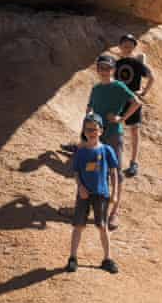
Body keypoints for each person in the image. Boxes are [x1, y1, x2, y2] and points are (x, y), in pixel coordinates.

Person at [87, 54, 141, 230]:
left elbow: (136, 102)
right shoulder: (95, 89)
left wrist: (121, 118)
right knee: (94, 169)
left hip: (113, 134)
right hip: (97, 134)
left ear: (113, 70)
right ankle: (93, 207)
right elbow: (90, 109)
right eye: (101, 67)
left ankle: (114, 213)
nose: (104, 71)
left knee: (115, 172)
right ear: (97, 69)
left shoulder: (119, 86)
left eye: (108, 68)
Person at [66, 113, 120, 274]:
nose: (92, 132)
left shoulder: (107, 150)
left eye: (95, 129)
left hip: (101, 193)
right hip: (84, 193)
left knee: (102, 226)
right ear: (84, 131)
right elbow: (76, 172)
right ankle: (73, 258)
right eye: (88, 129)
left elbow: (113, 172)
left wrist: (115, 193)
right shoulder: (81, 152)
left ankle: (107, 258)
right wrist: (80, 187)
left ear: (101, 131)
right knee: (78, 225)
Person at [107, 34, 155, 178]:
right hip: (119, 99)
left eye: (130, 46)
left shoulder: (137, 63)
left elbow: (152, 78)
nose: (127, 48)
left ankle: (134, 163)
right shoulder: (116, 63)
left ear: (134, 47)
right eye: (125, 46)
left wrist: (144, 92)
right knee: (109, 126)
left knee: (134, 130)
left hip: (132, 99)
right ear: (120, 47)